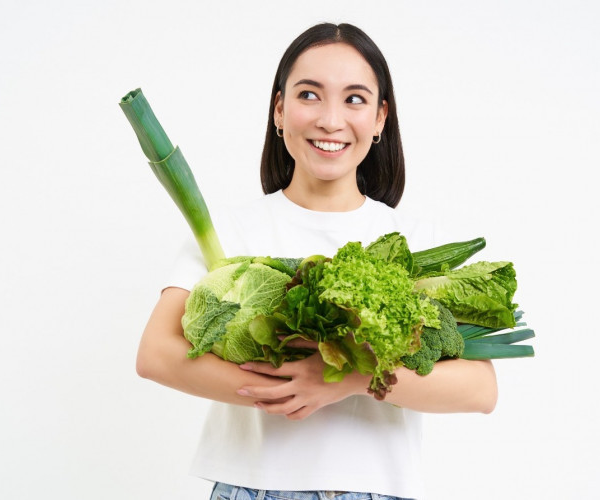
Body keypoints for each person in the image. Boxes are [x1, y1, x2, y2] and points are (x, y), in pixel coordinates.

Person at [136, 22, 498, 500]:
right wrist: (292, 387)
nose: (331, 120)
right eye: (309, 95)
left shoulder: (414, 241)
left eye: (354, 99)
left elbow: (480, 388)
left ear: (380, 117)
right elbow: (156, 354)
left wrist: (350, 378)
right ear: (280, 110)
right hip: (252, 489)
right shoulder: (226, 232)